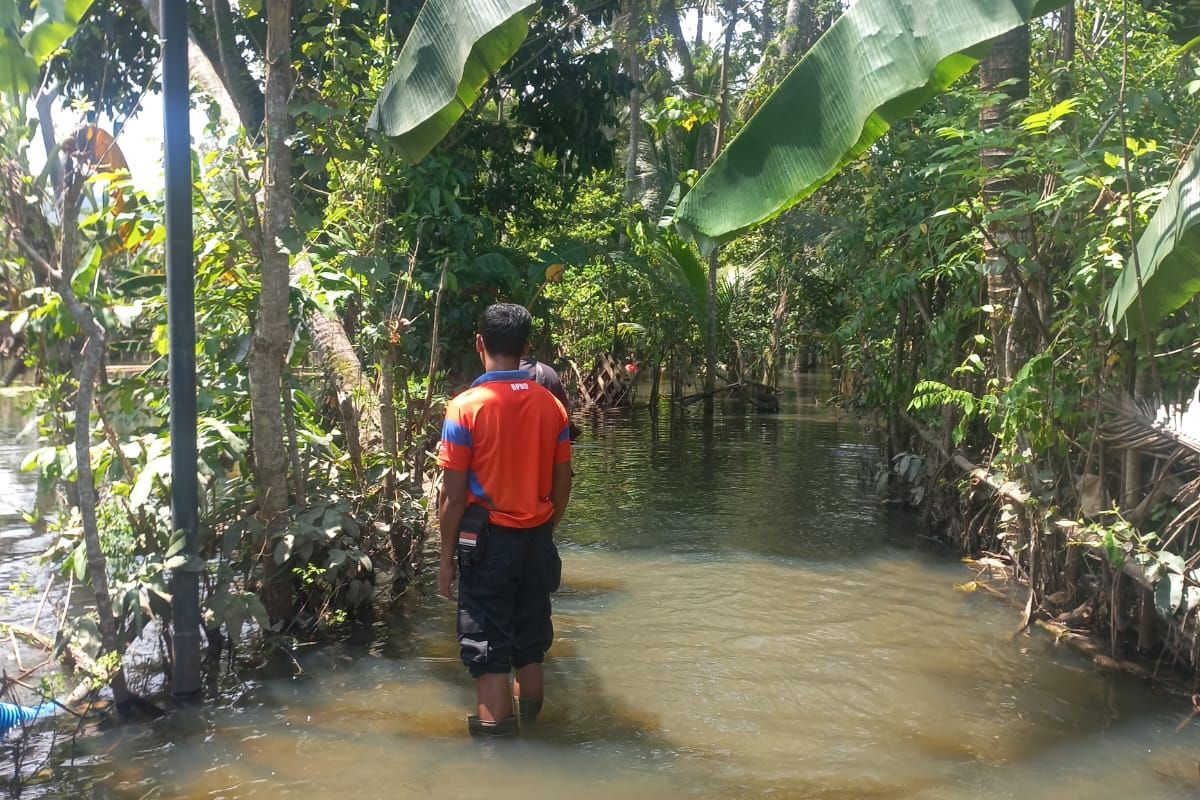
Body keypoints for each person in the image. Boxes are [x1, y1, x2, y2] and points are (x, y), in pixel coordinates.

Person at [436, 304, 573, 737]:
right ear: (527, 347)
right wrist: (545, 529)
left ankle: (499, 763)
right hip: (536, 539)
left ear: (480, 344)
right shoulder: (551, 406)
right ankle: (535, 735)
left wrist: (445, 558)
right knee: (530, 648)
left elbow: (453, 497)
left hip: (488, 546)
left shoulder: (465, 408)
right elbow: (563, 481)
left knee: (487, 654)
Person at [521, 354, 580, 441]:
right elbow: (566, 419)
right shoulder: (548, 372)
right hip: (545, 445)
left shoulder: (495, 373)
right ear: (527, 346)